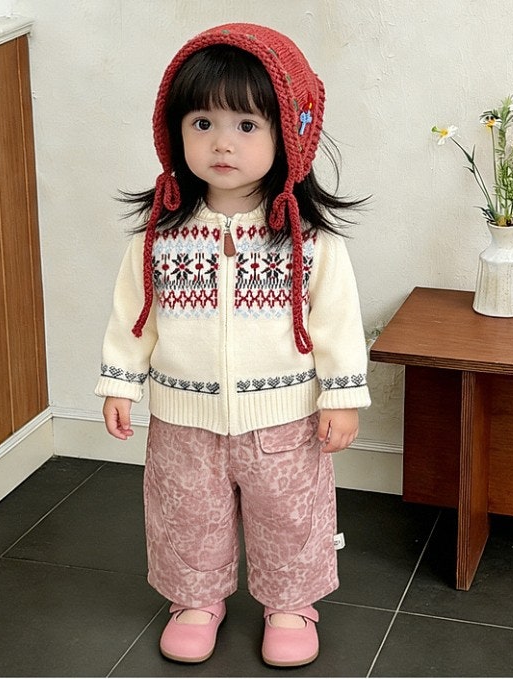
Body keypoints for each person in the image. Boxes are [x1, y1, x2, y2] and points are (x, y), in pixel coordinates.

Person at [95, 23, 371, 668]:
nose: (222, 143)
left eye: (247, 125)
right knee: (187, 513)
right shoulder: (158, 236)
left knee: (290, 515)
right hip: (183, 417)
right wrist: (119, 382)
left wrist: (342, 397)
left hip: (285, 419)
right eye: (202, 123)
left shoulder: (308, 241)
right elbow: (134, 316)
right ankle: (195, 600)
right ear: (174, 133)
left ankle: (291, 604)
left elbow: (337, 323)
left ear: (290, 133)